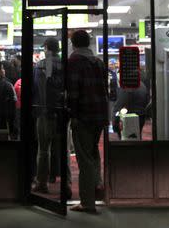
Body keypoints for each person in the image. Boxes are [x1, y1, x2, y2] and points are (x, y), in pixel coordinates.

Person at [67, 30, 108, 214]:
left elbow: (73, 92)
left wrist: (73, 115)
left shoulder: (74, 62)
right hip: (99, 115)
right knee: (92, 153)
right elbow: (104, 90)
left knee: (84, 159)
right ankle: (97, 187)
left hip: (83, 116)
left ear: (73, 44)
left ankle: (88, 203)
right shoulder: (98, 62)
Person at [31, 38, 70, 197]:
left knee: (43, 150)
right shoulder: (65, 64)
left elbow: (36, 90)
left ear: (47, 48)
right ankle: (66, 185)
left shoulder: (41, 64)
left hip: (44, 112)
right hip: (61, 113)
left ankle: (42, 183)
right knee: (64, 149)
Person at [113, 75, 149, 140]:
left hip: (128, 118)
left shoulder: (126, 85)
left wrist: (115, 122)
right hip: (141, 116)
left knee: (127, 140)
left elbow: (120, 105)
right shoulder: (142, 85)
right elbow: (146, 100)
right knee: (137, 138)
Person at [0, 61, 17, 139]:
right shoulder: (7, 85)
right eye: (2, 68)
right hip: (3, 121)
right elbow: (13, 104)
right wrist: (12, 125)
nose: (4, 70)